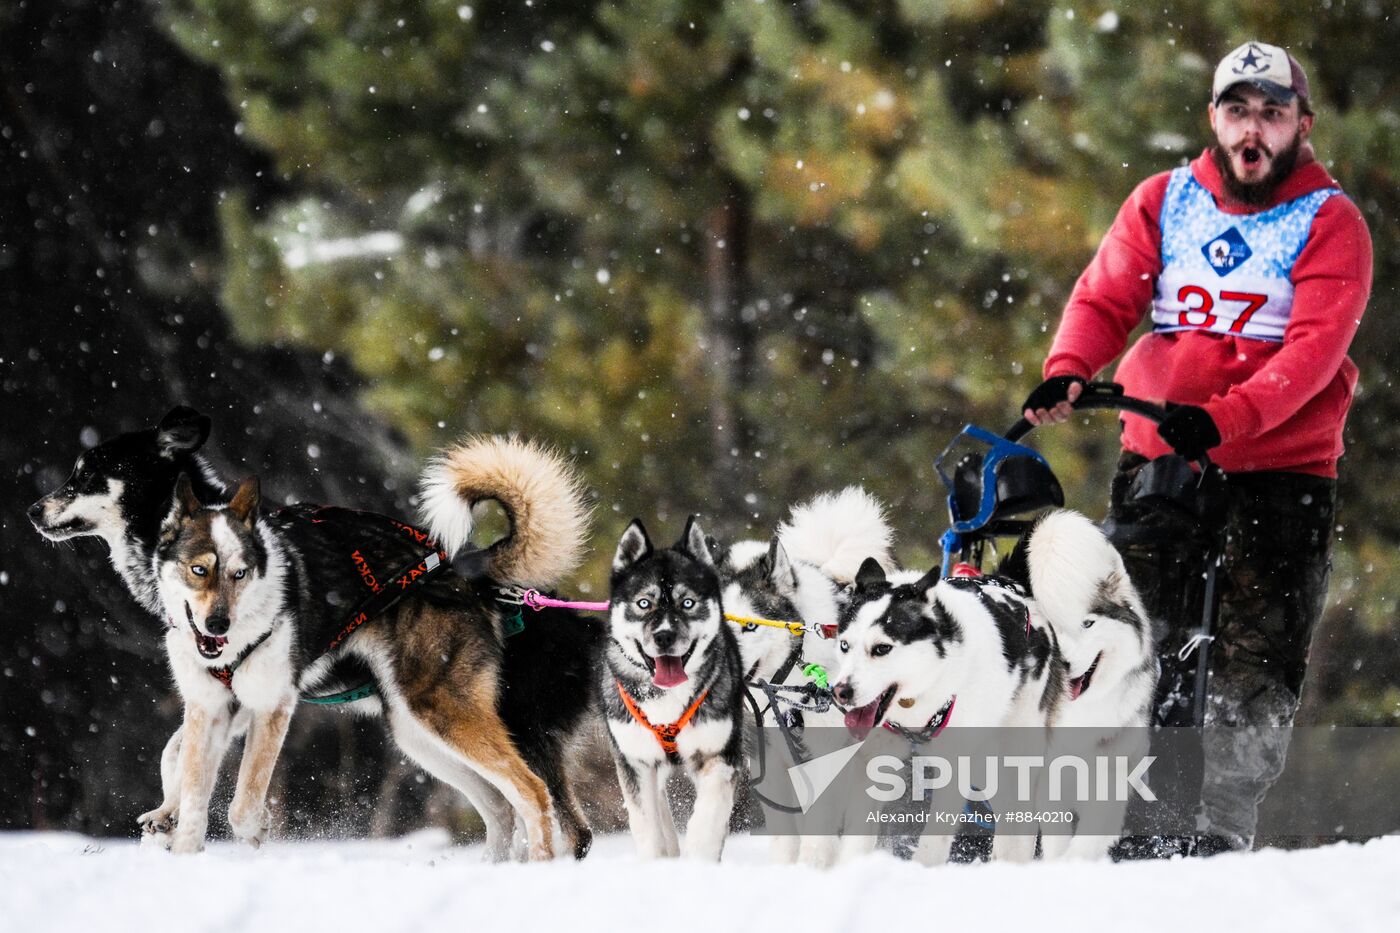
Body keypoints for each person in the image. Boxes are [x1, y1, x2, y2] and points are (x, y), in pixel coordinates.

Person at [1021, 41, 1373, 855]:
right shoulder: (1163, 200)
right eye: (1239, 111)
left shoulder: (1331, 222)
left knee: (1253, 655)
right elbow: (1106, 294)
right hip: (1162, 461)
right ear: (1214, 118)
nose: (1255, 131)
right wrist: (1070, 370)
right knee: (1134, 640)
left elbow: (1312, 353)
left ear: (1302, 126)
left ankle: (1216, 833)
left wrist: (1227, 416)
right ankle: (1124, 821)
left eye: (1273, 114)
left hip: (1279, 470)